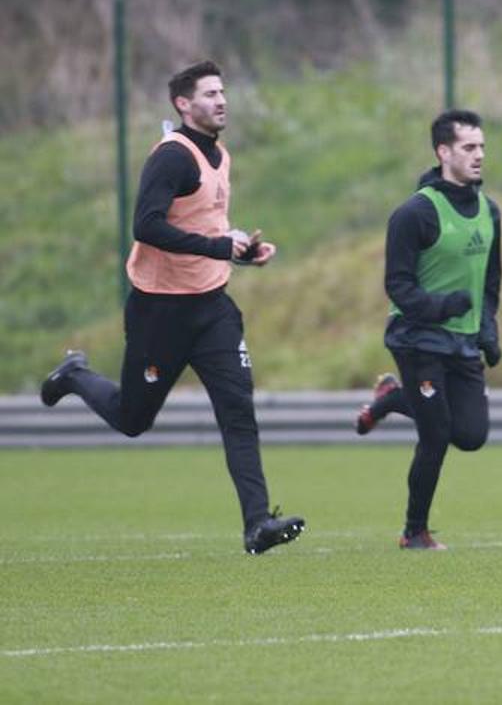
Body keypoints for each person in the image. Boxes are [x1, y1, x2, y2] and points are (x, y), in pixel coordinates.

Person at [38, 60, 304, 555]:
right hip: (160, 314)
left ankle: (256, 526)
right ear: (183, 104)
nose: (221, 100)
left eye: (223, 91)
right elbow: (147, 227)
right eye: (208, 94)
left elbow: (206, 227)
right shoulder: (172, 157)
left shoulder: (219, 155)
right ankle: (75, 373)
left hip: (213, 311)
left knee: (238, 411)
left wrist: (241, 253)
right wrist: (220, 247)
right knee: (133, 419)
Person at [379, 109, 502, 550]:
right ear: (443, 152)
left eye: (482, 147)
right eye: (469, 147)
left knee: (470, 435)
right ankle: (415, 531)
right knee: (435, 435)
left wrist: (488, 330)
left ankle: (395, 398)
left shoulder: (490, 211)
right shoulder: (414, 214)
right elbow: (398, 287)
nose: (479, 155)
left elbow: (490, 284)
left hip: (463, 343)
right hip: (417, 340)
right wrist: (443, 306)